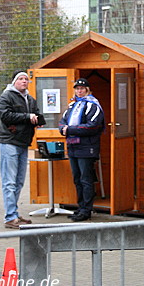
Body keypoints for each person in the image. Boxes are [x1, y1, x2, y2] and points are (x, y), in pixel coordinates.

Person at [0, 71, 45, 229]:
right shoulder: (7, 96)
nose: (24, 81)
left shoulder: (30, 99)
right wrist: (27, 116)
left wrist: (39, 120)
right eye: (21, 79)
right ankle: (10, 216)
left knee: (19, 181)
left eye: (26, 79)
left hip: (24, 143)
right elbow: (6, 116)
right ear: (14, 82)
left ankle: (14, 213)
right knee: (9, 182)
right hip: (9, 142)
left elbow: (35, 113)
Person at [58, 78, 104, 222]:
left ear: (88, 90)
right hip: (72, 146)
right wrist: (63, 129)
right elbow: (62, 122)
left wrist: (70, 129)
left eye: (82, 89)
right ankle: (80, 207)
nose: (79, 91)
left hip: (87, 147)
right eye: (77, 89)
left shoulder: (93, 106)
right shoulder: (72, 105)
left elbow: (92, 126)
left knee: (86, 179)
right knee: (77, 179)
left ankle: (86, 210)